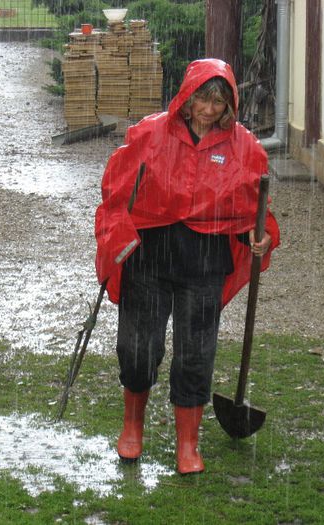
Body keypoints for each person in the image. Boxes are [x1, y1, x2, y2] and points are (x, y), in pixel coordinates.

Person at [94, 58, 280, 474]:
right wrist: (117, 236)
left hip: (204, 262)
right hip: (150, 258)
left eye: (218, 102)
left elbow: (255, 208)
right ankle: (132, 427)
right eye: (202, 98)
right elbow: (115, 191)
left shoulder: (243, 147)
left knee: (196, 354)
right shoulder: (150, 135)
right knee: (138, 349)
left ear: (229, 104)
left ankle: (188, 443)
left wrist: (261, 235)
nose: (208, 110)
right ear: (187, 96)